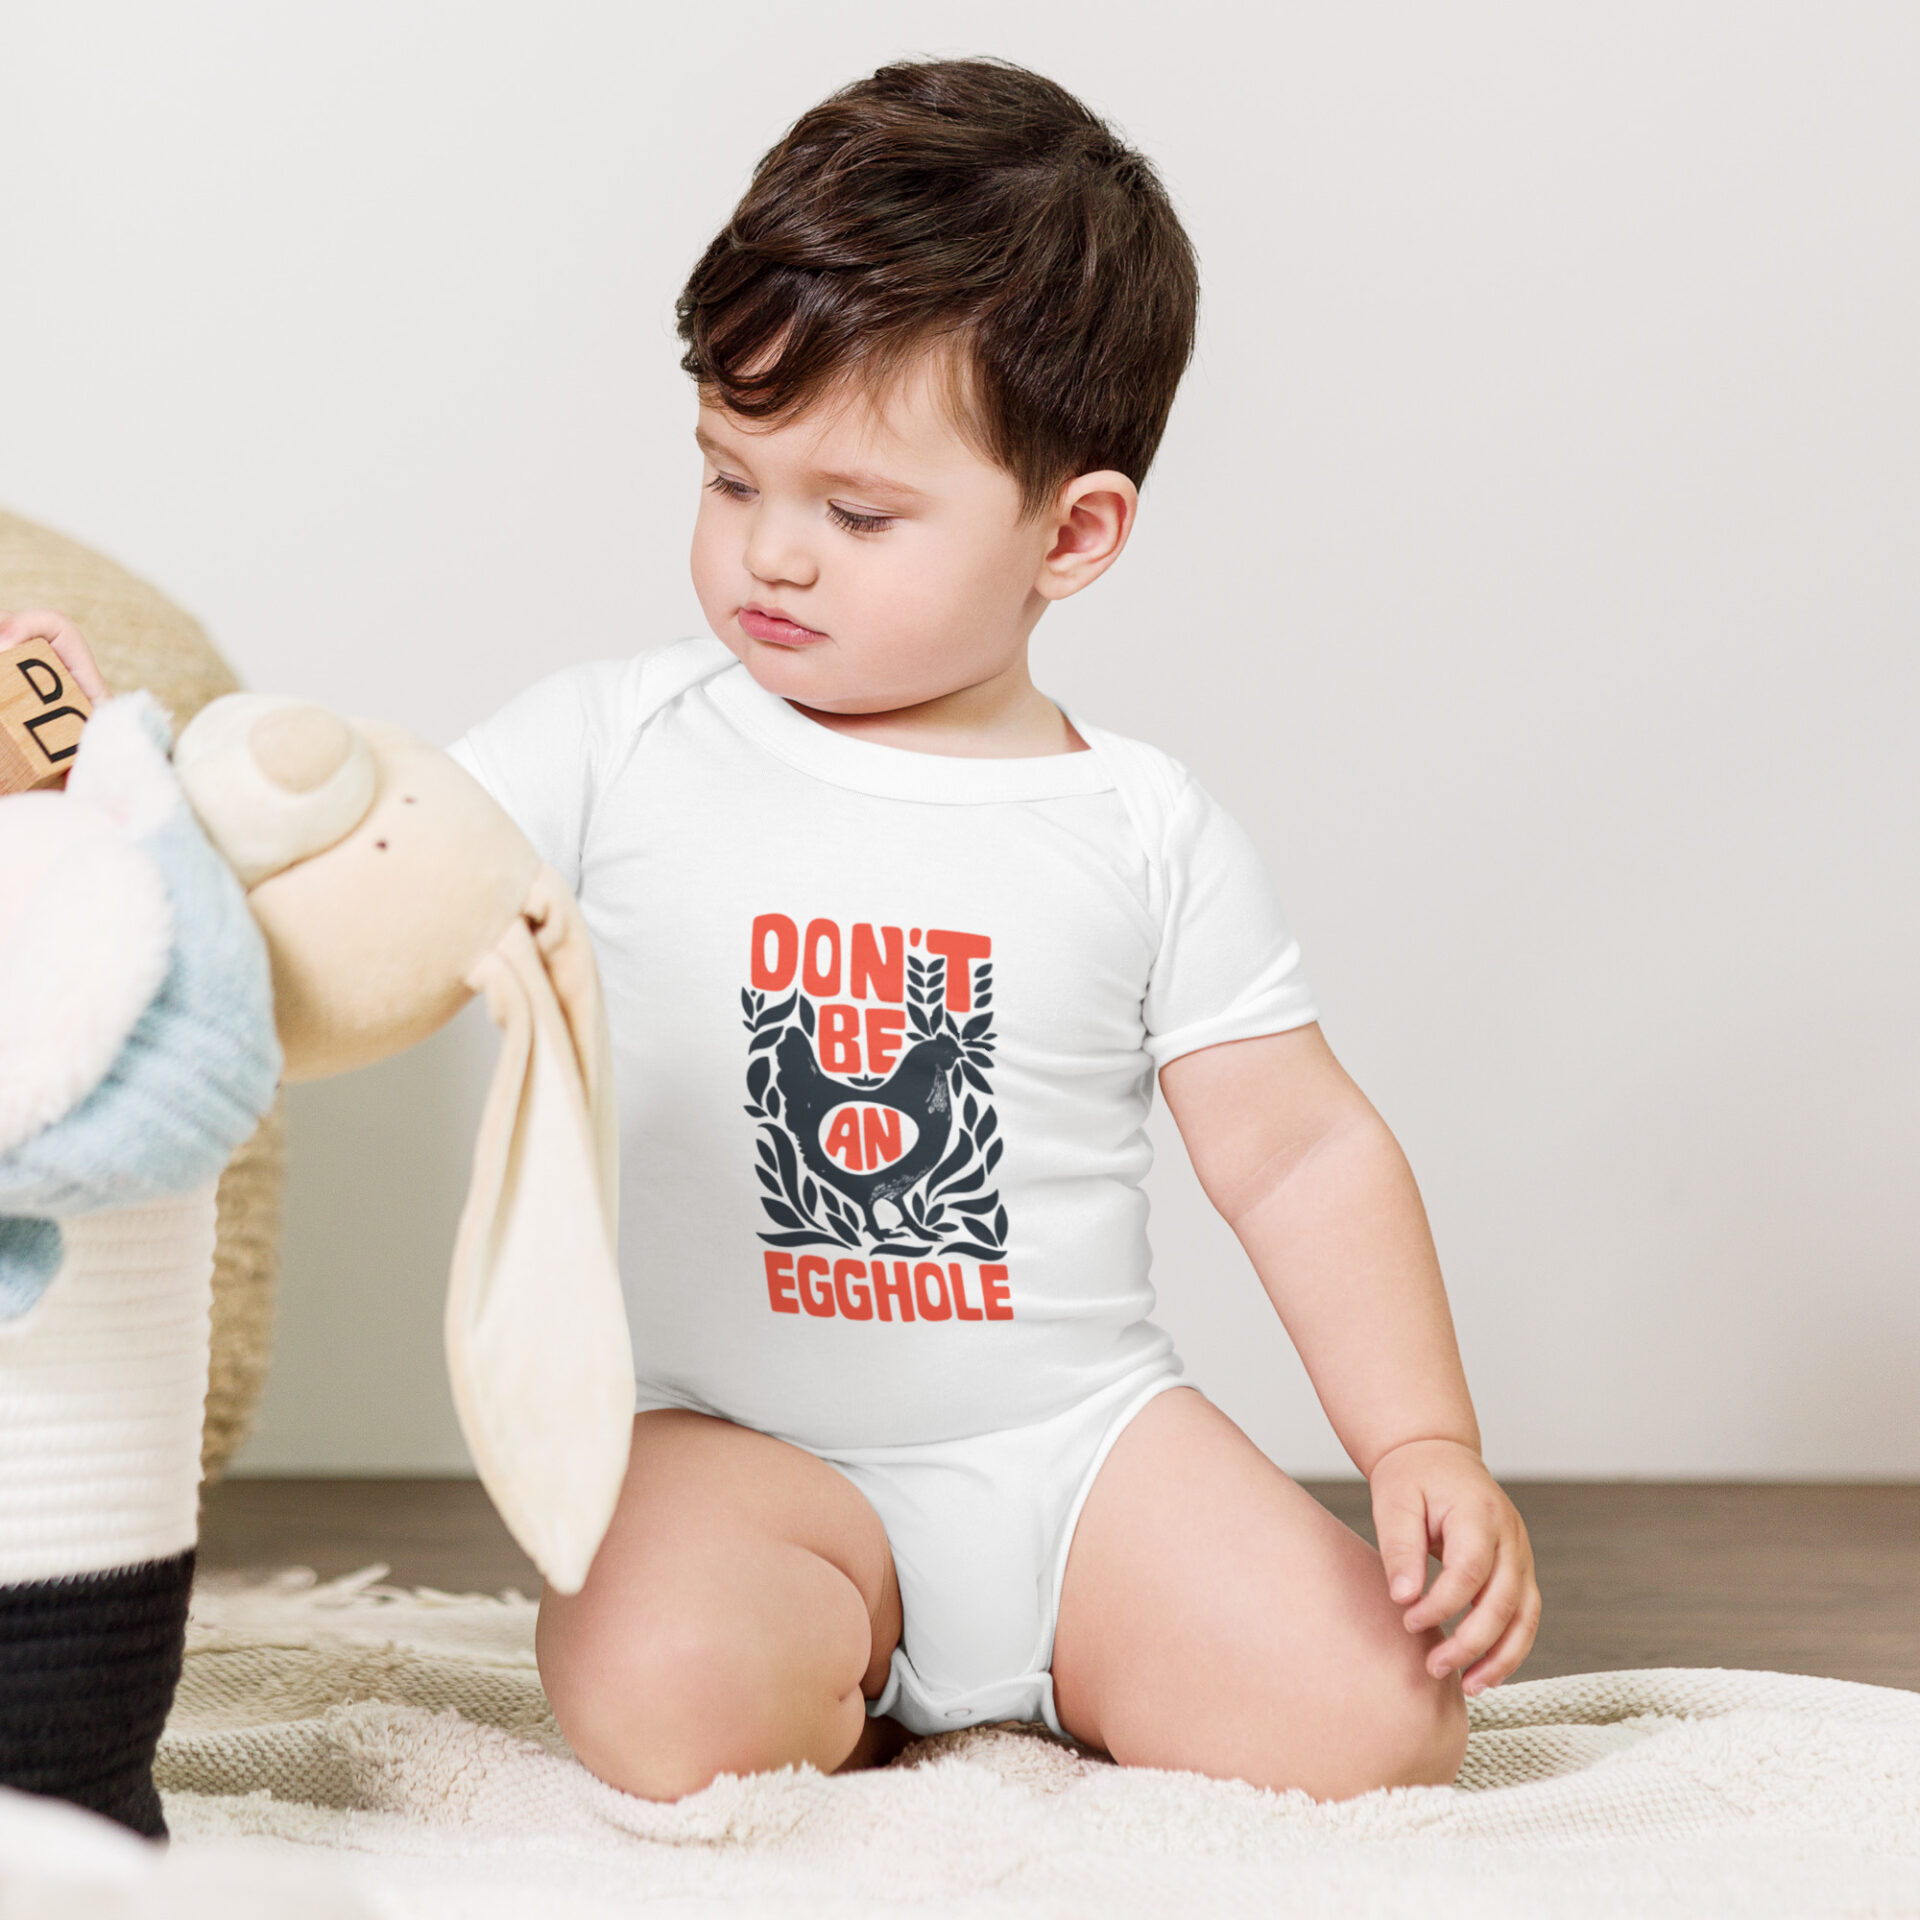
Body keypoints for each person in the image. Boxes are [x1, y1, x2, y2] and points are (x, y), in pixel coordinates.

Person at [8, 54, 1541, 1805]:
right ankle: (847, 1668)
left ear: (1077, 532)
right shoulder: (617, 746)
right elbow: (383, 868)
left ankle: (1046, 1661)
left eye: (858, 512)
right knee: (653, 1693)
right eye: (732, 479)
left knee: (1382, 1726)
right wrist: (132, 830)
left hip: (1075, 1448)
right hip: (743, 1450)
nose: (771, 558)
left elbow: (1299, 1157)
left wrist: (1419, 1439)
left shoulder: (1141, 830)